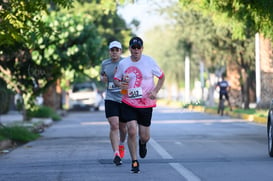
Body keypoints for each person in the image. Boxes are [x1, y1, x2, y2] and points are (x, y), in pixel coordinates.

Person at [114, 36, 165, 173]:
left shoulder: (149, 61)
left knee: (144, 136)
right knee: (131, 130)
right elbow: (116, 80)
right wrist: (120, 84)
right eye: (133, 48)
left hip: (146, 103)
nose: (136, 50)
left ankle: (143, 144)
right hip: (129, 102)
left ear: (142, 49)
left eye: (138, 48)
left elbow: (161, 77)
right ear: (130, 49)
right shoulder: (123, 63)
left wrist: (155, 91)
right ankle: (134, 161)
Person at [100, 40, 127, 166]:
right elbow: (102, 76)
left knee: (123, 127)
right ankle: (116, 153)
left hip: (123, 98)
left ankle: (121, 144)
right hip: (110, 98)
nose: (114, 52)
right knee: (114, 125)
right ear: (109, 51)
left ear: (120, 51)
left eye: (117, 50)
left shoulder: (125, 63)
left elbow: (131, 77)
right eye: (112, 50)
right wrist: (103, 78)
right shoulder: (105, 63)